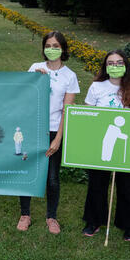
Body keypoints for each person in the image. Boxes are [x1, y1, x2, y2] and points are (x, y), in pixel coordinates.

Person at [81, 50, 130, 241]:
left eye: (119, 63)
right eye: (111, 63)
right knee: (97, 184)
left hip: (128, 145)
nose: (115, 66)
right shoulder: (96, 86)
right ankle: (94, 221)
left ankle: (129, 225)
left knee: (128, 186)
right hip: (102, 142)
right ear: (105, 67)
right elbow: (88, 114)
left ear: (126, 66)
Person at [18, 30, 79, 234]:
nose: (51, 50)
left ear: (63, 49)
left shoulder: (69, 76)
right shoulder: (36, 68)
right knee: (27, 171)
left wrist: (58, 139)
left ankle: (51, 217)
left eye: (56, 46)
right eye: (48, 46)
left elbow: (66, 110)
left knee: (52, 177)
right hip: (32, 127)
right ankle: (25, 214)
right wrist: (33, 80)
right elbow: (23, 97)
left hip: (53, 130)